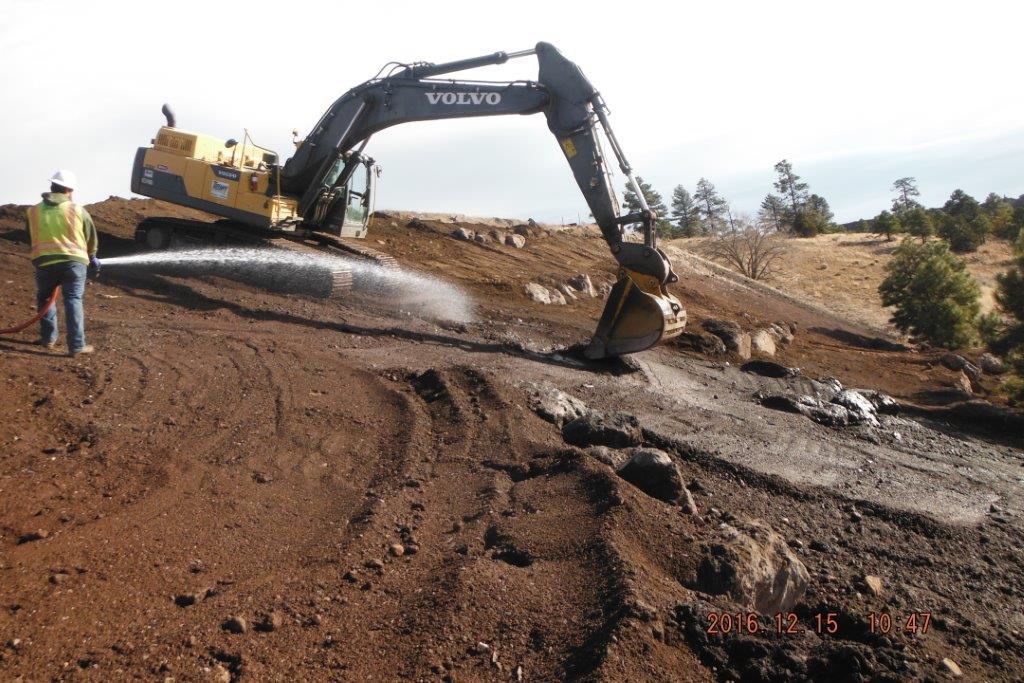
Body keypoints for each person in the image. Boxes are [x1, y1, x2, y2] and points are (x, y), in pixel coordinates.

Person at [24, 170, 100, 356]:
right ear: (69, 189)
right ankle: (77, 346)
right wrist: (92, 255)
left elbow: (30, 236)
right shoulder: (77, 210)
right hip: (74, 263)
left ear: (52, 187)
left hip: (44, 262)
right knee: (73, 299)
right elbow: (90, 235)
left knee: (45, 298)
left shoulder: (33, 211)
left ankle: (48, 338)